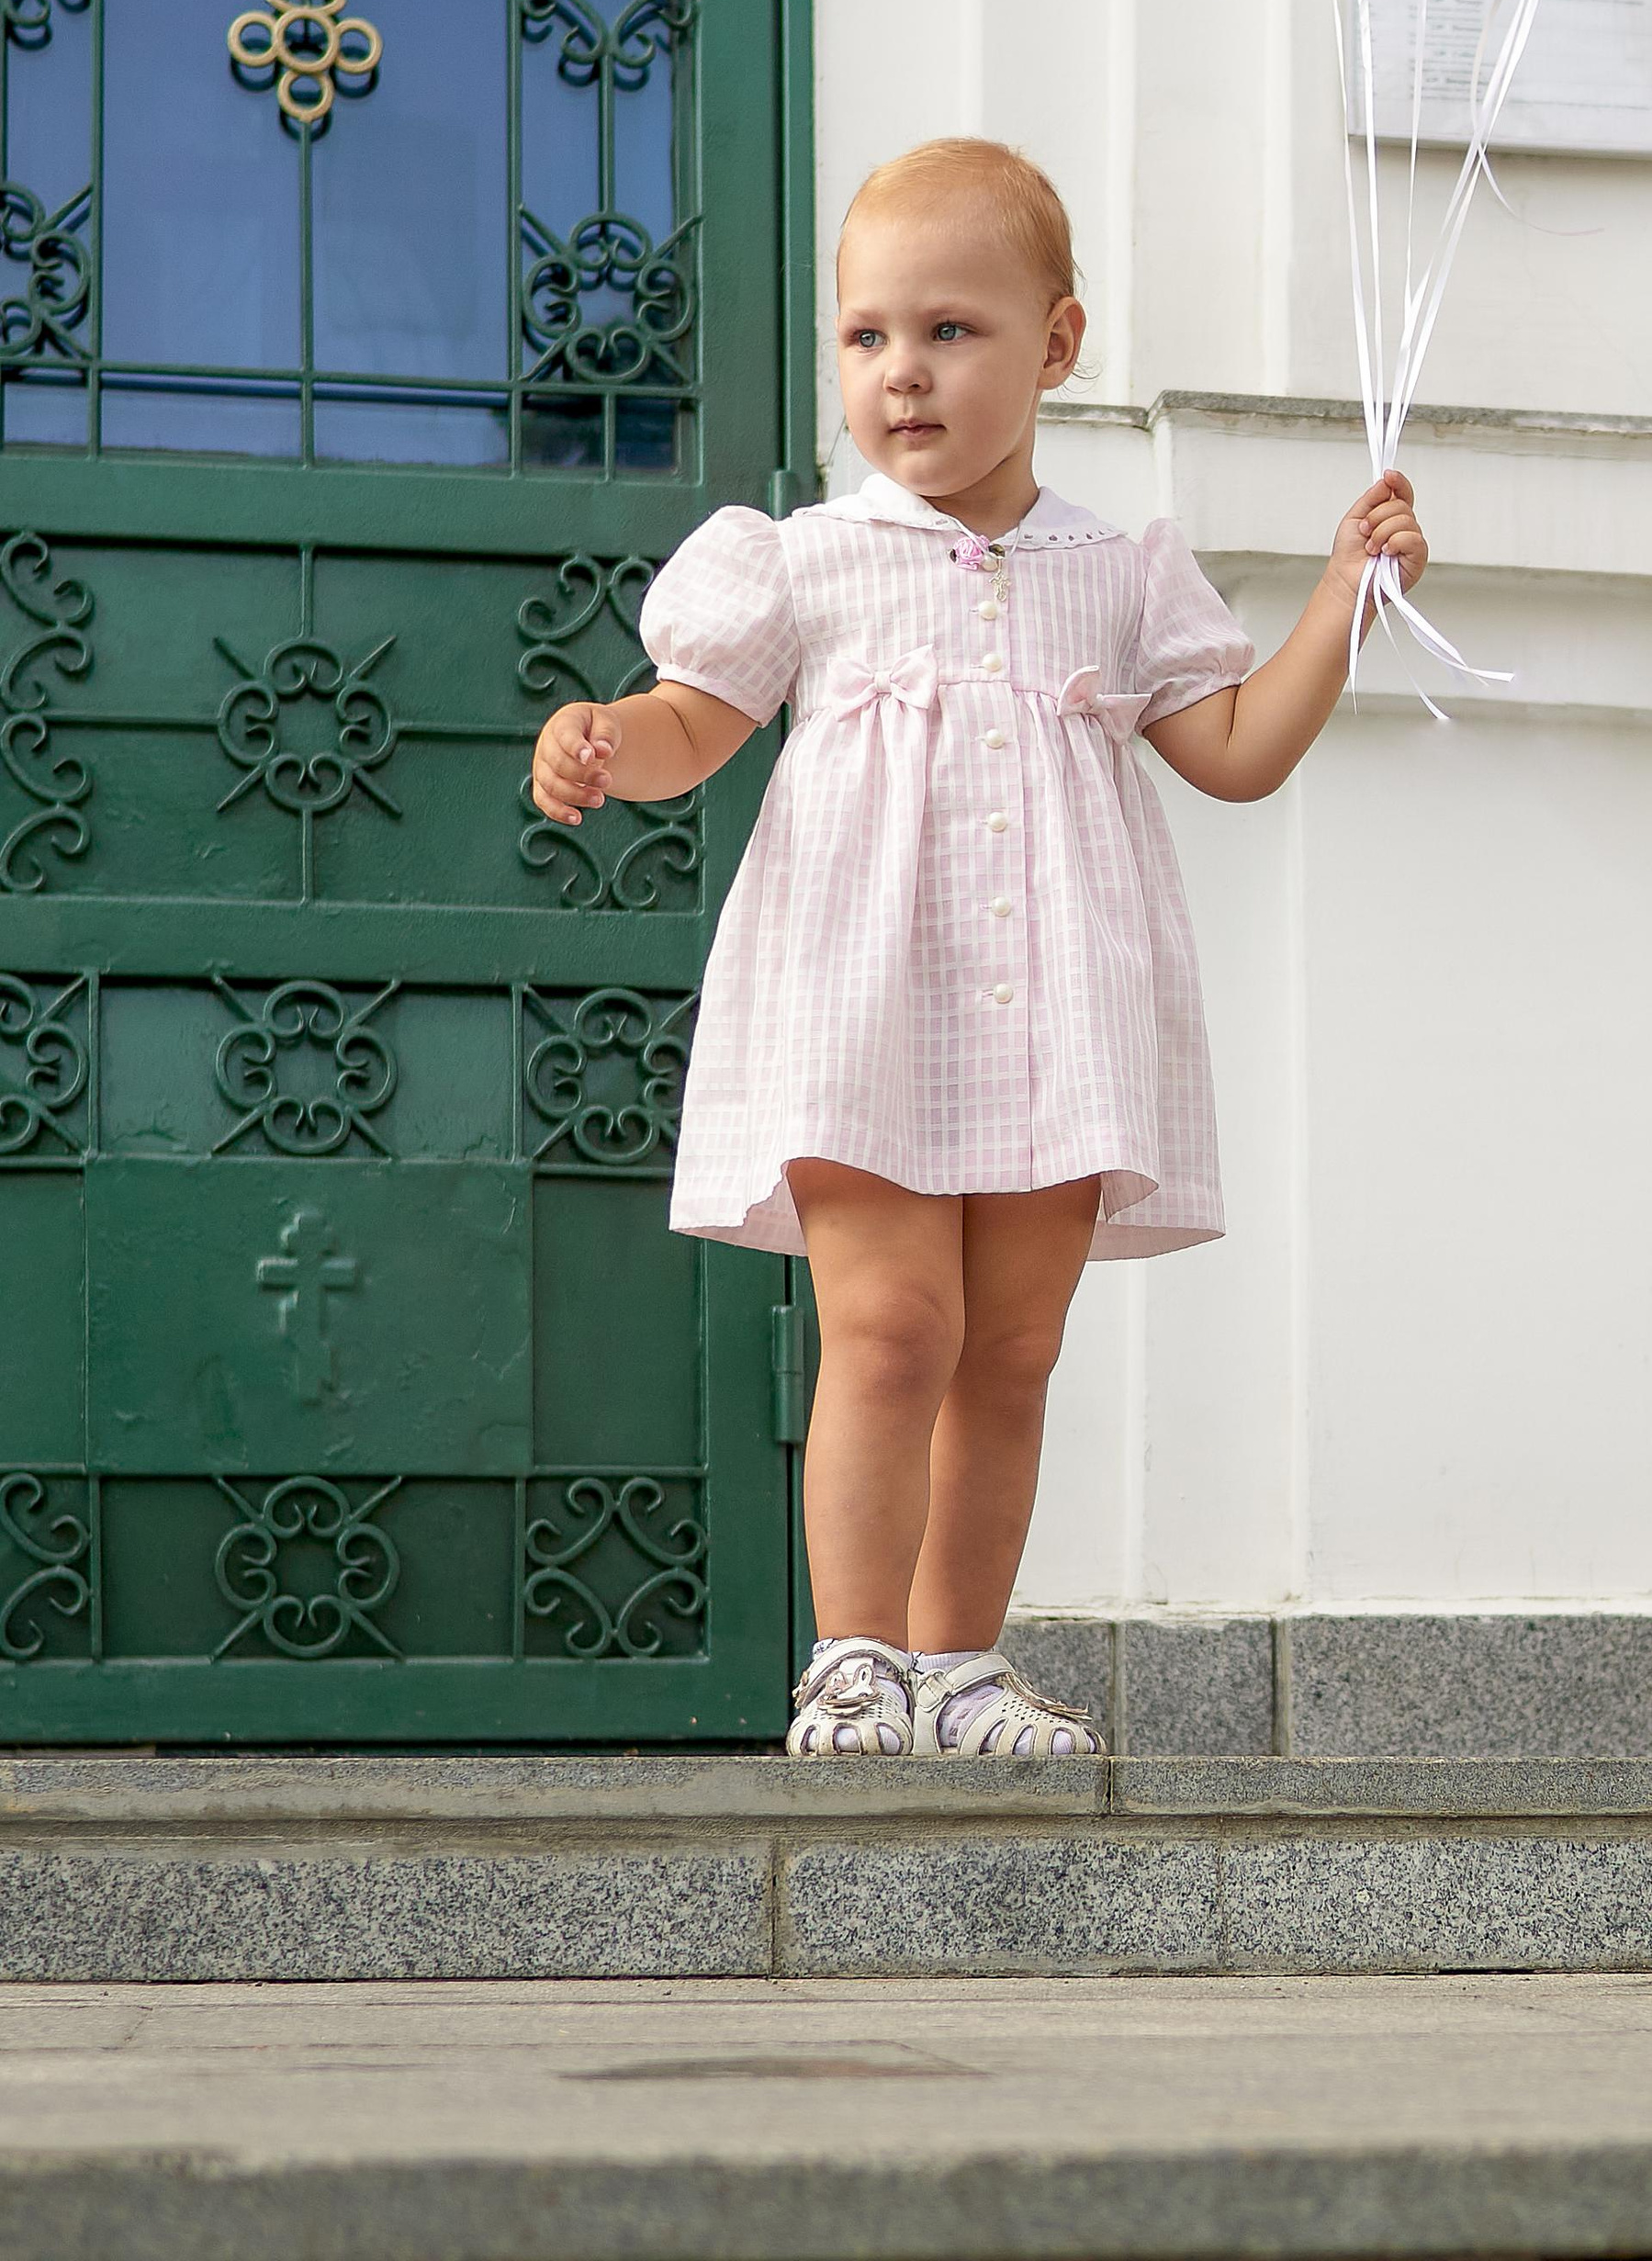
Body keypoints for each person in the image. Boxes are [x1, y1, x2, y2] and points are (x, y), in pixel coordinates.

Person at [528, 136, 1427, 1762]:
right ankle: (855, 1661)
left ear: (1057, 345)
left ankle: (960, 1669)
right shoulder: (806, 560)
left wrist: (1345, 602)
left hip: (1059, 1010)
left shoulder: (1117, 572)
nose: (905, 375)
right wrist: (605, 739)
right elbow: (694, 723)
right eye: (869, 337)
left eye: (951, 331)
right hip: (864, 1000)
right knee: (892, 1329)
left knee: (1011, 1350)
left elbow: (1233, 751)